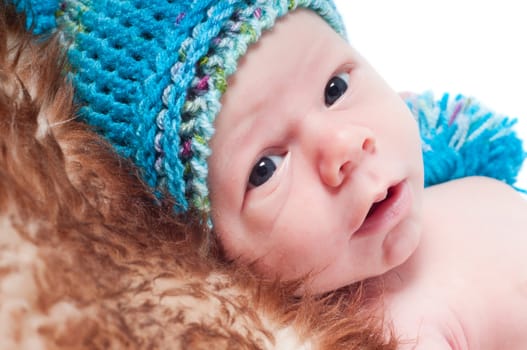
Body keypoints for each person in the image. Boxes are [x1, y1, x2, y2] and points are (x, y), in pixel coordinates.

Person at [14, 0, 527, 348]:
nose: (344, 147)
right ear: (210, 251)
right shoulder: (386, 329)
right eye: (266, 168)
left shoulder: (451, 162)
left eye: (334, 90)